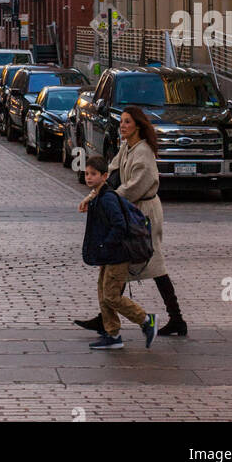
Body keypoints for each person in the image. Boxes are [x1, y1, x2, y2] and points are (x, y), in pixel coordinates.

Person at [75, 104, 188, 337]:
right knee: (120, 260)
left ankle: (176, 318)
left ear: (138, 125)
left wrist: (107, 199)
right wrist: (91, 197)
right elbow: (109, 175)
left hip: (145, 213)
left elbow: (134, 186)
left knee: (153, 264)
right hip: (130, 210)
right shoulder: (126, 147)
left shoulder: (144, 152)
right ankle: (106, 317)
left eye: (127, 122)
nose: (122, 126)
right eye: (122, 122)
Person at [80, 154, 156, 351]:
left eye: (93, 174)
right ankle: (112, 334)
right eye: (87, 173)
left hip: (117, 255)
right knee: (103, 293)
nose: (89, 177)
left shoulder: (107, 199)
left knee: (112, 296)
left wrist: (106, 245)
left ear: (104, 176)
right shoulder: (99, 196)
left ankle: (146, 320)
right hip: (108, 255)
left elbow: (119, 226)